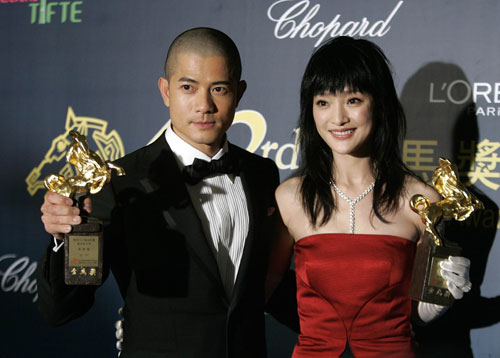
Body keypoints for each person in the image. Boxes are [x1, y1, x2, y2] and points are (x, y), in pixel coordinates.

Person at [37, 27, 297, 358]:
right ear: (165, 91)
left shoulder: (262, 174)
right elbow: (62, 308)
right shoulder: (118, 182)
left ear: (239, 92)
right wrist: (64, 237)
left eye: (218, 89)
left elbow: (267, 287)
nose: (204, 105)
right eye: (188, 87)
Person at [268, 36, 472, 358]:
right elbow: (263, 293)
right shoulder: (290, 198)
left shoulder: (420, 200)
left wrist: (436, 303)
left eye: (353, 100)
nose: (337, 118)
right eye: (323, 102)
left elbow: (417, 310)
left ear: (379, 103)